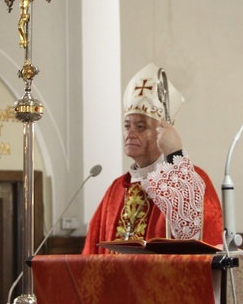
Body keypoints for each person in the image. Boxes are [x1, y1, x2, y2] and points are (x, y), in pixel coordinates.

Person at [83, 63, 224, 254]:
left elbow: (194, 237)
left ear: (161, 132)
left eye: (140, 127)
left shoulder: (189, 181)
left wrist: (175, 155)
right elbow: (91, 254)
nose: (130, 133)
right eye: (127, 126)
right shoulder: (116, 190)